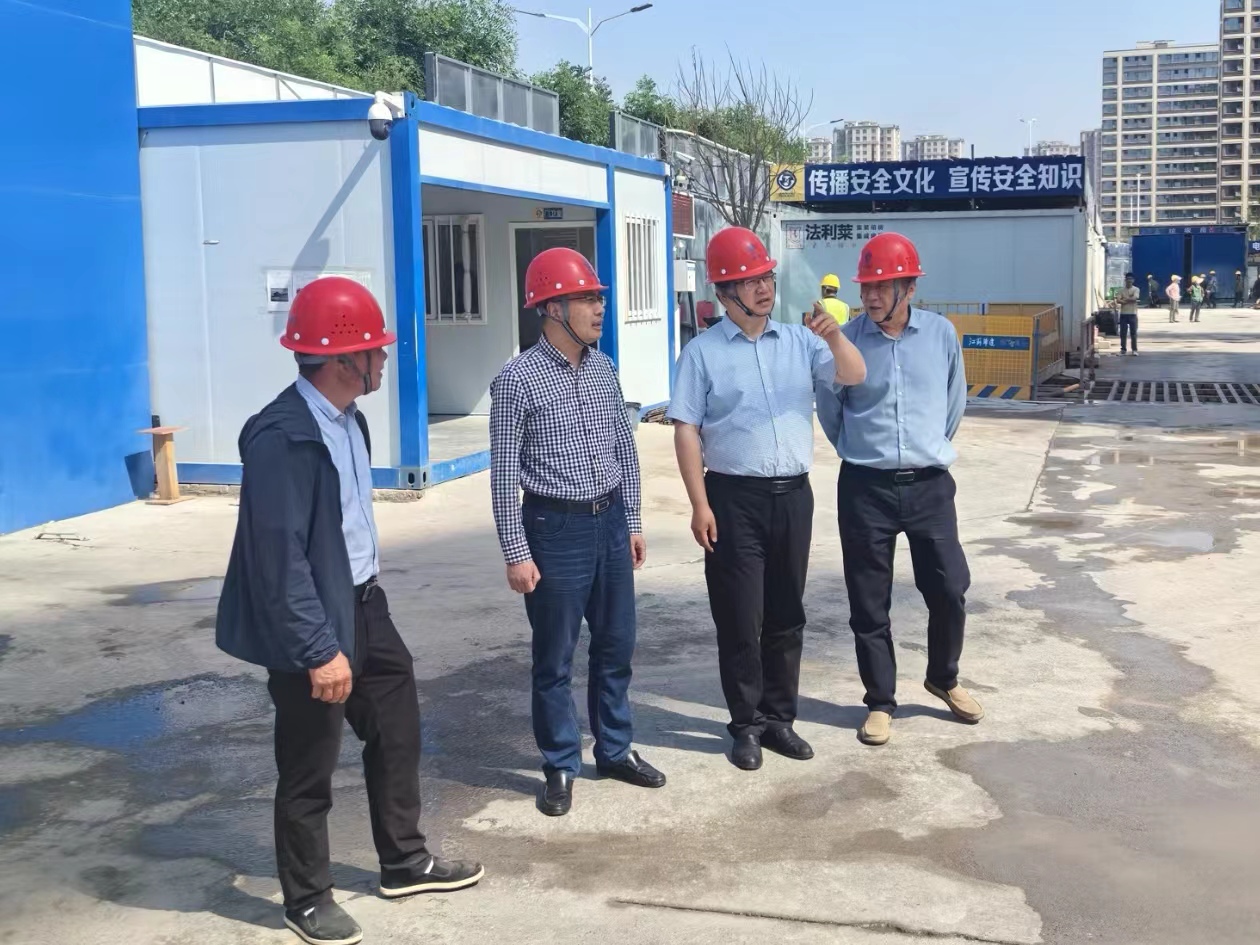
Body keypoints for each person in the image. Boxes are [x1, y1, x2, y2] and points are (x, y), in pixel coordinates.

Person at [215, 277, 483, 945]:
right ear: (342, 359)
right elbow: (279, 560)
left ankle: (404, 861)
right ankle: (306, 898)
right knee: (309, 763)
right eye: (375, 349)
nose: (385, 358)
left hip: (365, 604)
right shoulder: (281, 438)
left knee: (397, 727)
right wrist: (318, 648)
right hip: (311, 621)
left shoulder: (349, 421)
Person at [667, 227, 867, 771]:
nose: (763, 288)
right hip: (733, 498)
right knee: (739, 616)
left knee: (786, 613)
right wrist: (699, 504)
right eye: (750, 280)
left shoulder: (802, 342)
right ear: (724, 292)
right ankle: (745, 725)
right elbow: (686, 429)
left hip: (792, 497)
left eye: (766, 278)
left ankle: (780, 719)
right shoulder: (702, 353)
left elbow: (854, 373)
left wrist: (834, 337)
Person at [489, 247, 664, 818]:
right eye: (587, 299)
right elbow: (503, 474)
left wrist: (632, 521)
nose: (599, 308)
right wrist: (516, 552)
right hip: (554, 528)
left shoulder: (604, 369)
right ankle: (561, 763)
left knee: (616, 645)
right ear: (551, 308)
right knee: (555, 658)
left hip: (609, 521)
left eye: (598, 298)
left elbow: (623, 450)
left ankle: (614, 749)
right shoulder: (516, 380)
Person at [814, 233, 981, 748]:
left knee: (950, 588)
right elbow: (831, 411)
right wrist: (865, 451)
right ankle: (880, 701)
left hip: (930, 486)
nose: (870, 296)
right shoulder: (845, 340)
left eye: (881, 287)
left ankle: (944, 677)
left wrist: (925, 449)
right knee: (869, 600)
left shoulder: (941, 334)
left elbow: (953, 402)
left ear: (908, 288)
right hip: (866, 487)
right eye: (866, 287)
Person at [1115, 272, 1141, 356]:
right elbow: (1118, 300)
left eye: (1131, 279)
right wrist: (1130, 299)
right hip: (1123, 314)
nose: (1129, 281)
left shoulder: (1136, 289)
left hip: (1133, 314)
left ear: (1133, 280)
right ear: (1125, 280)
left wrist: (1124, 300)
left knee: (1133, 333)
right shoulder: (1121, 290)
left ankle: (1134, 350)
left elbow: (1135, 298)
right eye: (1128, 279)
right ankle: (1123, 350)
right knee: (1123, 333)